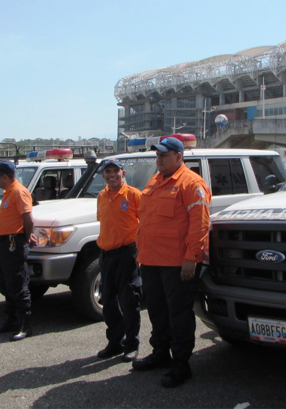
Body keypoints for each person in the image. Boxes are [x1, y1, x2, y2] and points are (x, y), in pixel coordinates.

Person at [132, 137, 211, 388]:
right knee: (157, 311)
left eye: (164, 156)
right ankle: (160, 354)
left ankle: (181, 364)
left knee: (179, 314)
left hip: (177, 264)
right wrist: (140, 255)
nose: (159, 160)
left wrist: (191, 258)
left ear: (179, 157)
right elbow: (147, 221)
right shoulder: (155, 181)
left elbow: (200, 225)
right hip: (151, 261)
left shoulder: (191, 183)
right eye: (157, 156)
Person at [95, 158, 142, 363]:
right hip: (106, 255)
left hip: (127, 254)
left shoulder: (133, 194)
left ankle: (131, 344)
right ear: (103, 175)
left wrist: (141, 253)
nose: (111, 174)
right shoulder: (101, 196)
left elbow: (145, 225)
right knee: (109, 302)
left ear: (122, 173)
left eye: (115, 170)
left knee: (129, 301)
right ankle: (115, 342)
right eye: (108, 172)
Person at [0, 161, 38, 341]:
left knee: (18, 285)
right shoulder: (8, 193)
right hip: (3, 244)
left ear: (4, 176)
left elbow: (28, 219)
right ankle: (10, 320)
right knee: (5, 284)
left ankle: (25, 325)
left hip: (13, 243)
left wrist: (26, 237)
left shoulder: (18, 191)